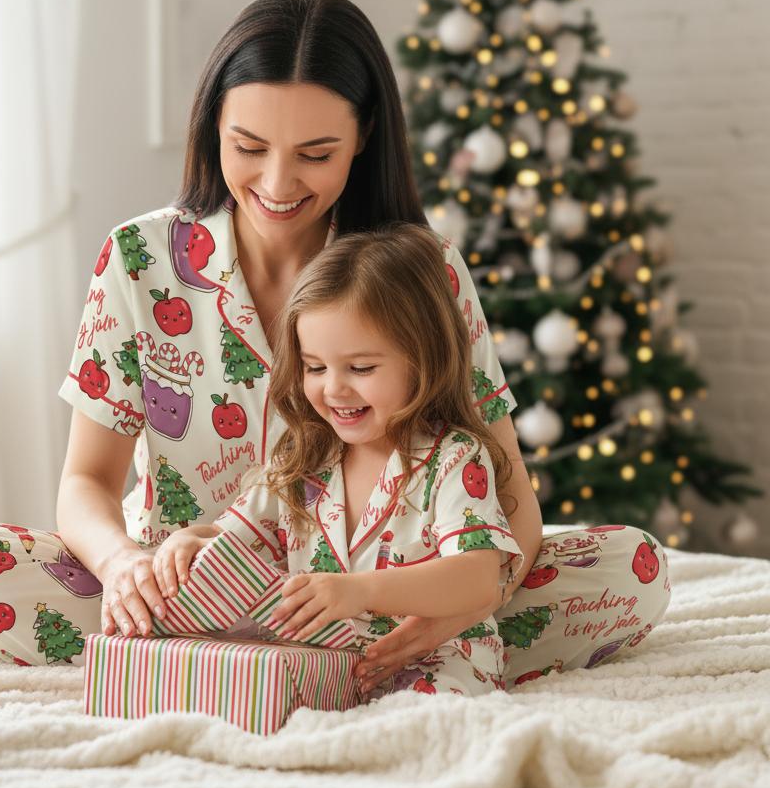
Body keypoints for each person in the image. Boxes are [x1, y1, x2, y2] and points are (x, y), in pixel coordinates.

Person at [0, 0, 671, 692]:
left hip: (382, 589)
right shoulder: (139, 260)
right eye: (247, 145)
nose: (278, 182)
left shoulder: (423, 271)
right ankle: (239, 655)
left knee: (633, 570)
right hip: (183, 588)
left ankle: (310, 663)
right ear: (212, 124)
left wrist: (449, 611)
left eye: (316, 154)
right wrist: (123, 565)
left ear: (363, 137)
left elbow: (509, 495)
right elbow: (86, 481)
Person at [153, 225, 525, 698]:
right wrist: (190, 541)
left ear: (423, 360)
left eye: (361, 368)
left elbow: (476, 578)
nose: (334, 388)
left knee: (417, 728)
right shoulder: (304, 457)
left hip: (439, 660)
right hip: (325, 665)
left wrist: (360, 591)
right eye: (315, 367)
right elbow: (236, 538)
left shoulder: (454, 459)